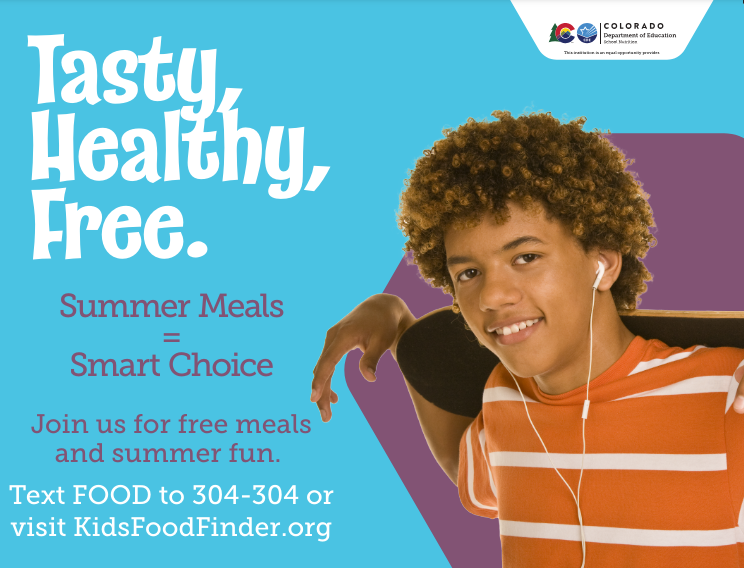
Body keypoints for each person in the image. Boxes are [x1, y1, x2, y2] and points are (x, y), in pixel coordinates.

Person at [310, 111, 744, 567]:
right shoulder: (503, 402)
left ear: (603, 264)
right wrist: (398, 324)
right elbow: (462, 465)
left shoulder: (726, 394)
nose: (493, 296)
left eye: (526, 256)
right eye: (469, 273)